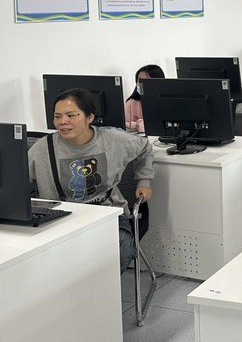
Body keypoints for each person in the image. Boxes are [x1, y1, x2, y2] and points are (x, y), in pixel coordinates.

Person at [28, 88, 154, 274]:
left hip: (108, 216)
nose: (63, 122)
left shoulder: (113, 140)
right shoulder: (42, 149)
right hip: (60, 220)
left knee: (117, 250)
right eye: (57, 116)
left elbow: (144, 148)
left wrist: (144, 181)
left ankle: (100, 290)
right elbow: (16, 181)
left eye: (71, 115)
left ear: (90, 117)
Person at [125, 64, 165, 133]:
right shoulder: (131, 103)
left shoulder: (166, 103)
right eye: (139, 80)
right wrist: (135, 125)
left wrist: (147, 126)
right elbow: (121, 123)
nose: (141, 83)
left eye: (146, 80)